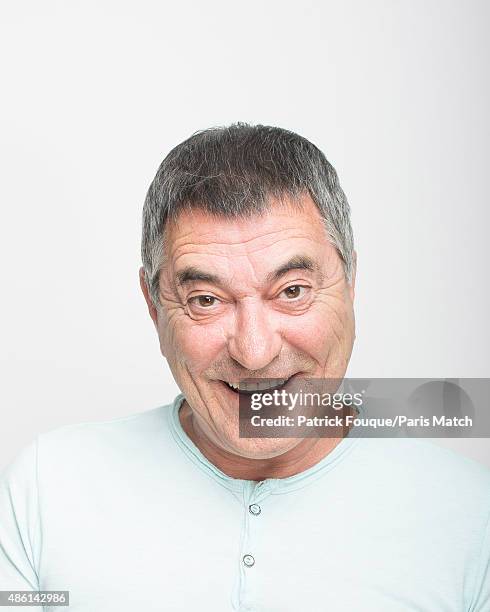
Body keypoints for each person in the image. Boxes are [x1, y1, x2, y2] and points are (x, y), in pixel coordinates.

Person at [1, 124, 489, 611]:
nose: (254, 353)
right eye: (207, 300)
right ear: (153, 306)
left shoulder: (470, 517)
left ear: (350, 280)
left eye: (292, 291)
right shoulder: (48, 489)